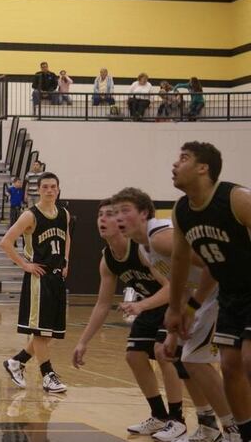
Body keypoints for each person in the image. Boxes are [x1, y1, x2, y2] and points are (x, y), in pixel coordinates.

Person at [113, 186, 241, 442]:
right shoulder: (143, 249)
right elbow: (177, 286)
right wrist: (174, 330)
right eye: (115, 212)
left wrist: (193, 308)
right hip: (198, 298)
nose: (118, 218)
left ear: (144, 214)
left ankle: (233, 429)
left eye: (125, 211)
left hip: (221, 292)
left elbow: (214, 265)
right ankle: (208, 425)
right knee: (178, 355)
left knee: (196, 360)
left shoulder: (160, 238)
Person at [72, 200, 181, 437]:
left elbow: (171, 287)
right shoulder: (107, 259)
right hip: (147, 305)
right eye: (99, 215)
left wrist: (140, 305)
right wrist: (83, 342)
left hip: (171, 302)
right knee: (133, 356)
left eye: (108, 215)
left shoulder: (140, 249)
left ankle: (178, 420)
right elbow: (102, 305)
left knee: (163, 354)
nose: (102, 219)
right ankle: (159, 416)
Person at [166, 142, 251, 442]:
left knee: (248, 359)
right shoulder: (182, 210)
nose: (175, 164)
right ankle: (243, 433)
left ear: (204, 168)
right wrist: (178, 308)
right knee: (229, 365)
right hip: (231, 293)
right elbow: (178, 260)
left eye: (184, 158)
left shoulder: (236, 198)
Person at [0, 172, 70, 394]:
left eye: (53, 187)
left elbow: (68, 238)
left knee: (46, 332)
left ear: (58, 189)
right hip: (39, 277)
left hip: (57, 277)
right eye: (45, 187)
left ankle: (16, 362)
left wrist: (66, 261)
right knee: (41, 332)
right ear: (38, 189)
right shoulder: (30, 215)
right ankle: (47, 376)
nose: (50, 190)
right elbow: (6, 242)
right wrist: (25, 265)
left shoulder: (64, 214)